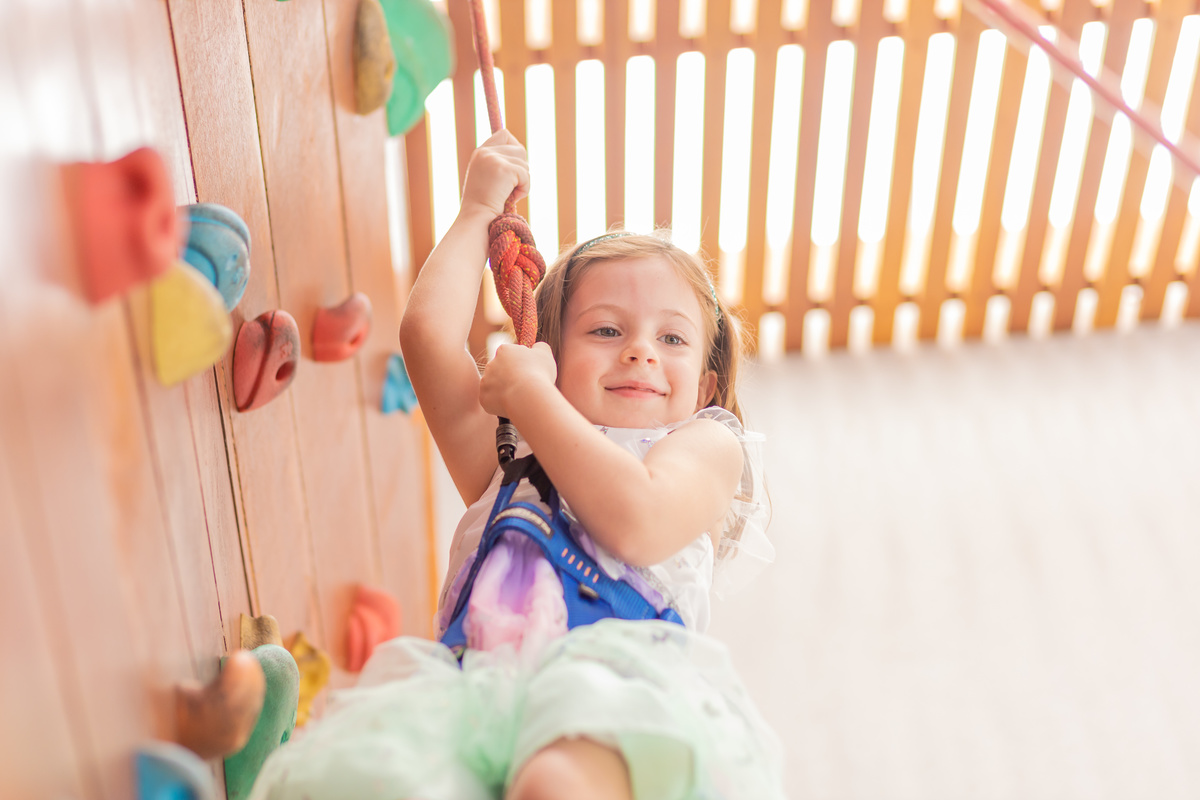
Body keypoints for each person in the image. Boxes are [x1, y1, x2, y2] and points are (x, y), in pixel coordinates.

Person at [246, 130, 783, 800]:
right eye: (607, 330)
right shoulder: (512, 457)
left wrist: (530, 395)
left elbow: (637, 522)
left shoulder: (705, 443)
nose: (641, 351)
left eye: (671, 337)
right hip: (472, 686)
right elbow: (429, 339)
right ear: (551, 358)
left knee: (553, 783)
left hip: (610, 686)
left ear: (703, 389)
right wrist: (477, 212)